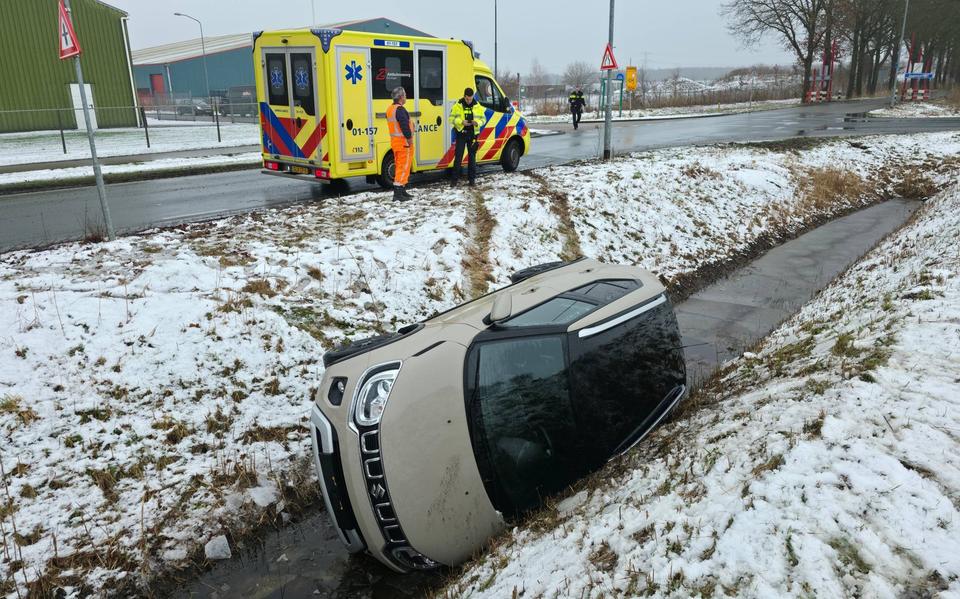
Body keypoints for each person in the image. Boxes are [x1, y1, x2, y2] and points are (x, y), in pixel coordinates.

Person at [449, 87, 487, 186]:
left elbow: (483, 119)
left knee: (472, 158)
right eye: (467, 99)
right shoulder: (458, 105)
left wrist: (477, 122)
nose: (469, 101)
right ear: (464, 96)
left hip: (473, 134)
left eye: (470, 99)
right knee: (458, 157)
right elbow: (451, 119)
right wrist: (461, 122)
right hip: (461, 133)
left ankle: (472, 180)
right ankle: (454, 181)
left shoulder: (477, 105)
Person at [386, 86, 414, 201]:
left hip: (396, 143)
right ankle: (398, 194)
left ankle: (402, 190)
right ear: (401, 97)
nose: (406, 97)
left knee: (400, 166)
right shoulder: (400, 110)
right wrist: (409, 138)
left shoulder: (390, 109)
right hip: (404, 143)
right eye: (405, 95)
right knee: (403, 167)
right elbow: (404, 125)